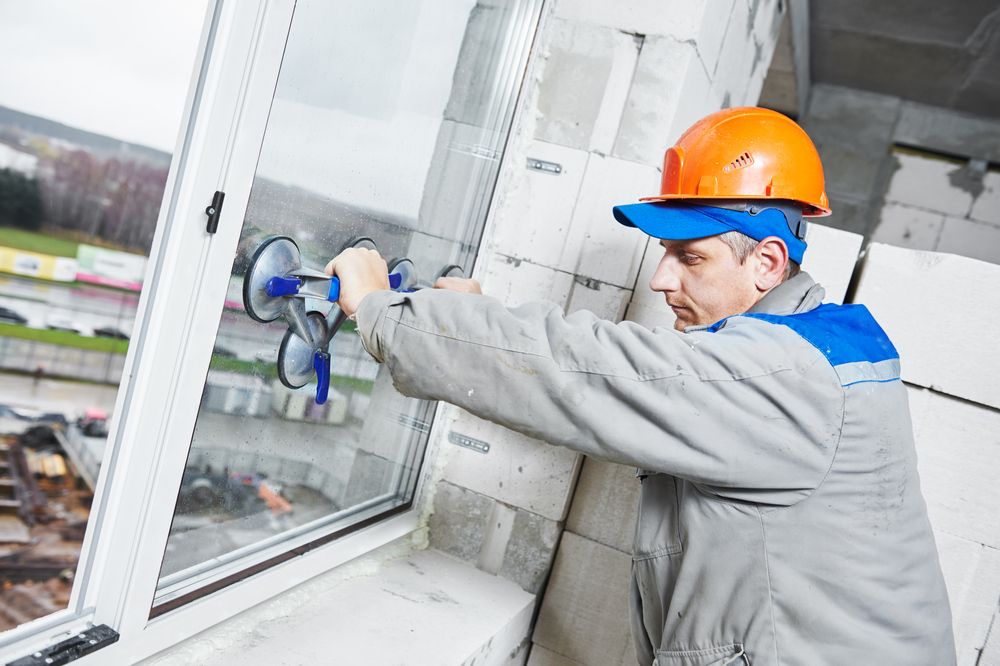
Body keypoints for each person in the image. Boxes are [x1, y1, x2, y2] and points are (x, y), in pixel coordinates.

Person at [325, 107, 955, 665]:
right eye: (664, 251)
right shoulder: (816, 352)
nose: (660, 279)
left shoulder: (787, 376)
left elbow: (587, 373)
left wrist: (386, 311)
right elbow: (617, 379)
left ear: (766, 263)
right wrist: (467, 319)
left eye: (691, 256)